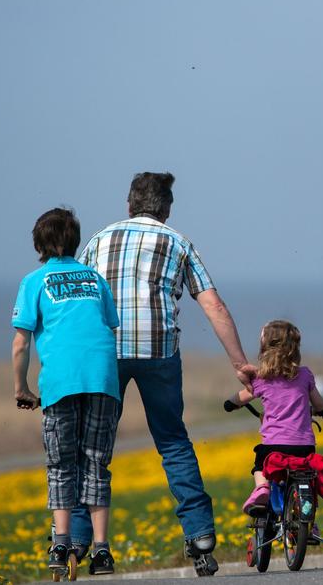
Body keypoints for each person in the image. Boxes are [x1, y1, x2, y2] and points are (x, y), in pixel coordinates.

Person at [73, 172, 257, 576]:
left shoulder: (98, 240)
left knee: (93, 447)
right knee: (173, 442)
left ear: (129, 204)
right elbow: (215, 307)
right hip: (159, 351)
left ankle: (80, 539)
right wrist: (240, 364)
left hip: (107, 351)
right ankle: (200, 536)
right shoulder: (178, 242)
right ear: (167, 208)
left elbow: (79, 302)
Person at [12, 208, 122, 576]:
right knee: (95, 464)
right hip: (103, 380)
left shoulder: (35, 281)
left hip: (60, 382)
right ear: (75, 241)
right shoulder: (94, 278)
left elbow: (20, 344)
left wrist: (21, 388)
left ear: (39, 244)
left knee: (61, 465)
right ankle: (102, 551)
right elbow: (108, 326)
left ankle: (60, 543)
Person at [223, 320, 323, 516]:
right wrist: (321, 411)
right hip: (304, 447)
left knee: (259, 465)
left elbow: (241, 397)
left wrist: (231, 403)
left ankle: (262, 488)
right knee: (307, 479)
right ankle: (310, 523)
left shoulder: (262, 379)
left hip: (274, 446)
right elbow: (320, 404)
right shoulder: (305, 375)